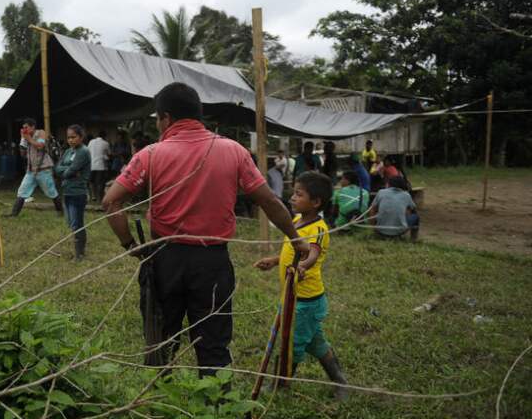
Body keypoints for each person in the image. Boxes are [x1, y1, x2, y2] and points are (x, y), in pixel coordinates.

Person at [103, 82, 308, 377]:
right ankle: (216, 411)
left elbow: (111, 203)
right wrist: (296, 238)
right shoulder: (234, 151)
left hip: (165, 259)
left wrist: (130, 245)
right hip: (212, 262)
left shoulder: (150, 154)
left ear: (166, 118)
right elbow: (269, 201)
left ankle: (159, 407)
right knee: (214, 345)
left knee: (162, 341)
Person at [253, 171, 349, 399]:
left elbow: (312, 253)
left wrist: (303, 266)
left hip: (305, 301)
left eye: (299, 194)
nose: (292, 198)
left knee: (291, 344)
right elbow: (291, 250)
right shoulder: (296, 221)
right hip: (292, 296)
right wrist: (275, 260)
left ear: (315, 202)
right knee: (316, 344)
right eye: (293, 193)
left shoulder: (318, 229)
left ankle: (281, 385)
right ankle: (341, 381)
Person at [10, 118, 62, 217]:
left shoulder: (41, 133)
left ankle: (60, 212)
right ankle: (14, 214)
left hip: (43, 169)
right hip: (31, 171)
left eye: (26, 127)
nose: (25, 129)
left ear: (33, 126)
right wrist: (23, 139)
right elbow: (23, 154)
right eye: (23, 127)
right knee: (22, 191)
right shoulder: (26, 137)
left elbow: (40, 145)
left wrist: (28, 138)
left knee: (51, 191)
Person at [55, 124, 91, 261]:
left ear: (81, 137)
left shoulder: (83, 151)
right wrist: (69, 170)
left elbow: (69, 171)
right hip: (67, 191)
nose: (70, 140)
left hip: (78, 192)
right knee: (71, 223)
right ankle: (79, 251)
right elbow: (58, 169)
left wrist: (69, 170)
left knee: (77, 224)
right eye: (68, 137)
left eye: (73, 137)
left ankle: (79, 254)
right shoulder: (69, 151)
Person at [369, 176, 419, 241]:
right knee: (415, 217)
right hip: (398, 232)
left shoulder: (381, 192)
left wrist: (374, 227)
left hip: (380, 230)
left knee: (374, 210)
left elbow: (372, 210)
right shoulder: (406, 195)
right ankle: (413, 239)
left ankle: (376, 232)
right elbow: (413, 209)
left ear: (389, 184)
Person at [87, 129, 110, 203]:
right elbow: (108, 154)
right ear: (104, 136)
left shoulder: (91, 142)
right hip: (101, 166)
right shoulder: (105, 143)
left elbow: (88, 152)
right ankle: (100, 199)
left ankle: (93, 196)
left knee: (91, 181)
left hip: (91, 165)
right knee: (100, 183)